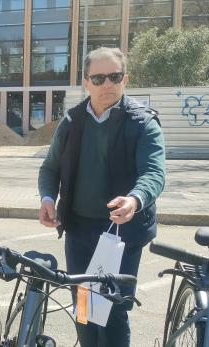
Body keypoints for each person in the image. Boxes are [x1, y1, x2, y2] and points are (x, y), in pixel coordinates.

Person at [37, 47, 165, 347]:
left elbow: (154, 172)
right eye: (98, 78)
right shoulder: (71, 121)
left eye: (114, 76)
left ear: (125, 79)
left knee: (112, 310)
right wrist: (46, 197)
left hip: (122, 232)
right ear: (86, 82)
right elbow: (50, 166)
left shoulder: (143, 123)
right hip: (80, 230)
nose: (107, 84)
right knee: (84, 307)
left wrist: (134, 199)